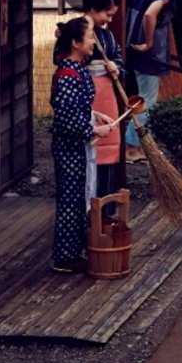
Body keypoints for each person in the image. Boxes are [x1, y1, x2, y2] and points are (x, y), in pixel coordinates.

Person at [50, 16, 114, 273]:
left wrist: (95, 115)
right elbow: (67, 120)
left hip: (78, 146)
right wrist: (95, 129)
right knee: (70, 201)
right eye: (89, 38)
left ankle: (76, 249)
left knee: (81, 197)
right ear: (76, 43)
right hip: (69, 148)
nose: (92, 43)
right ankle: (64, 257)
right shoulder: (67, 75)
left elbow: (78, 108)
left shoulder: (77, 68)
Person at [124, 0, 182, 163]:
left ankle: (137, 143)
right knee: (147, 99)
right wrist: (149, 42)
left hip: (130, 45)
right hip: (146, 52)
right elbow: (150, 14)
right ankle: (133, 148)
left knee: (142, 96)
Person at [82, 0, 123, 196]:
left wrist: (115, 67)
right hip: (83, 92)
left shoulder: (107, 36)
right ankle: (87, 206)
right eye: (107, 14)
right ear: (93, 9)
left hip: (106, 93)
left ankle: (105, 204)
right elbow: (61, 58)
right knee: (87, 142)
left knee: (109, 140)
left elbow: (118, 58)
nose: (109, 20)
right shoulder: (75, 30)